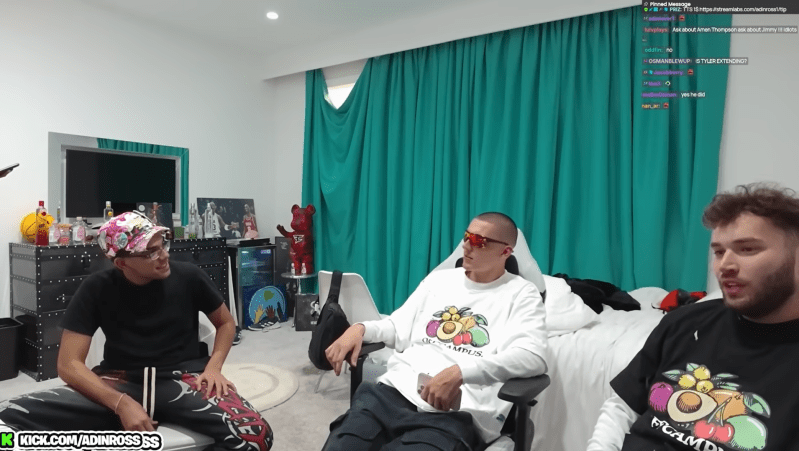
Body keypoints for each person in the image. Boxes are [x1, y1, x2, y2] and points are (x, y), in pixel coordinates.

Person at [0, 211, 273, 451]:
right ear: (122, 263)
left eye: (162, 245)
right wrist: (120, 403)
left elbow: (226, 323)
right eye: (150, 252)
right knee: (6, 418)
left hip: (186, 379)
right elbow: (69, 364)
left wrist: (214, 368)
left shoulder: (190, 276)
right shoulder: (96, 287)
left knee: (257, 438)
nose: (163, 255)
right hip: (119, 381)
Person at [587, 183, 799, 451]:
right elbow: (623, 405)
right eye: (719, 252)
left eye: (747, 249)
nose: (725, 265)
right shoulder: (685, 322)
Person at [322, 212, 548, 451]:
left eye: (479, 241)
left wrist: (459, 372)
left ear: (505, 251)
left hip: (454, 414)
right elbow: (398, 326)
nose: (466, 245)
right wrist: (360, 328)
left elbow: (532, 357)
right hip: (391, 395)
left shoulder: (522, 295)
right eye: (467, 236)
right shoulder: (439, 281)